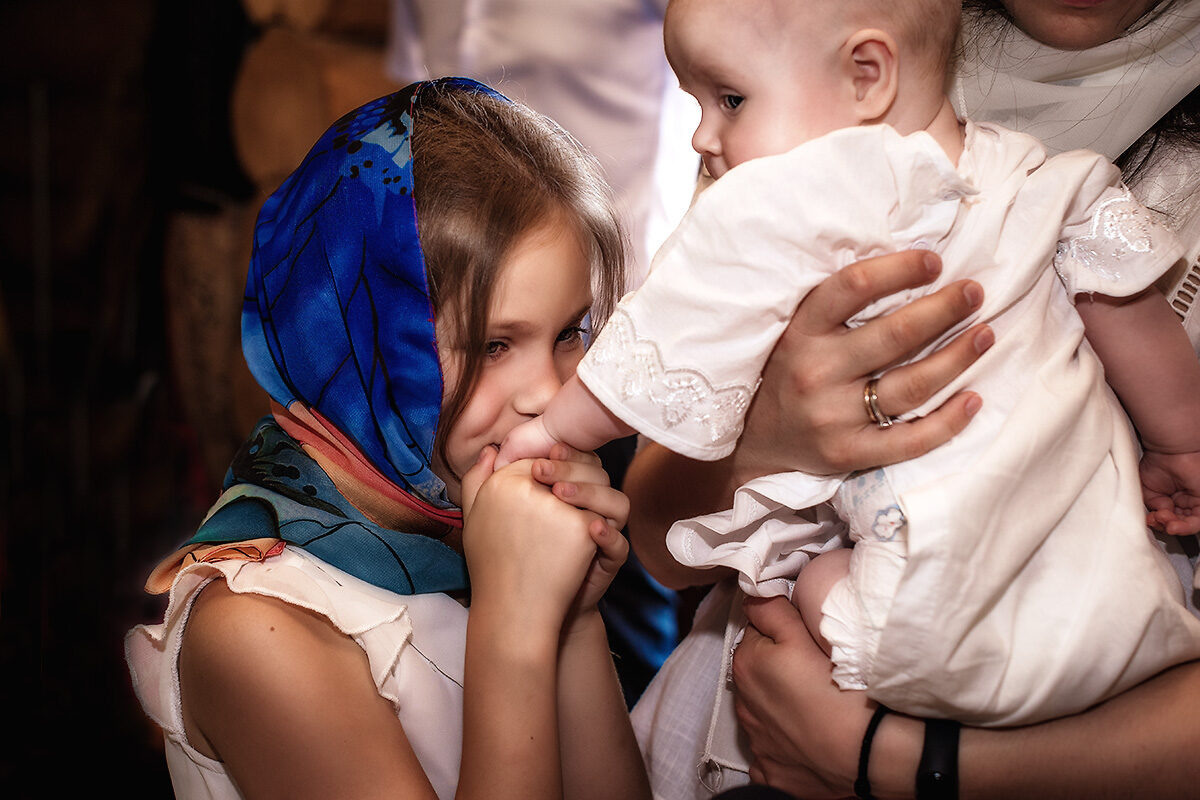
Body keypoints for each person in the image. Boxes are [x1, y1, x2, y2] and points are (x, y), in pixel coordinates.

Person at [498, 0, 1200, 742]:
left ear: (868, 74)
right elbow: (1129, 312)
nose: (704, 135)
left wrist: (550, 428)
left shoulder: (779, 198)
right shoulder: (1038, 173)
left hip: (912, 629)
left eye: (727, 100)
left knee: (798, 577)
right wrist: (1180, 444)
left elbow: (652, 356)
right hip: (1117, 616)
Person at [124, 77, 652, 800]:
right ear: (354, 343)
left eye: (569, 334)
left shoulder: (471, 520)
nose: (552, 394)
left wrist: (576, 615)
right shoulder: (256, 627)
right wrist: (518, 625)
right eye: (495, 345)